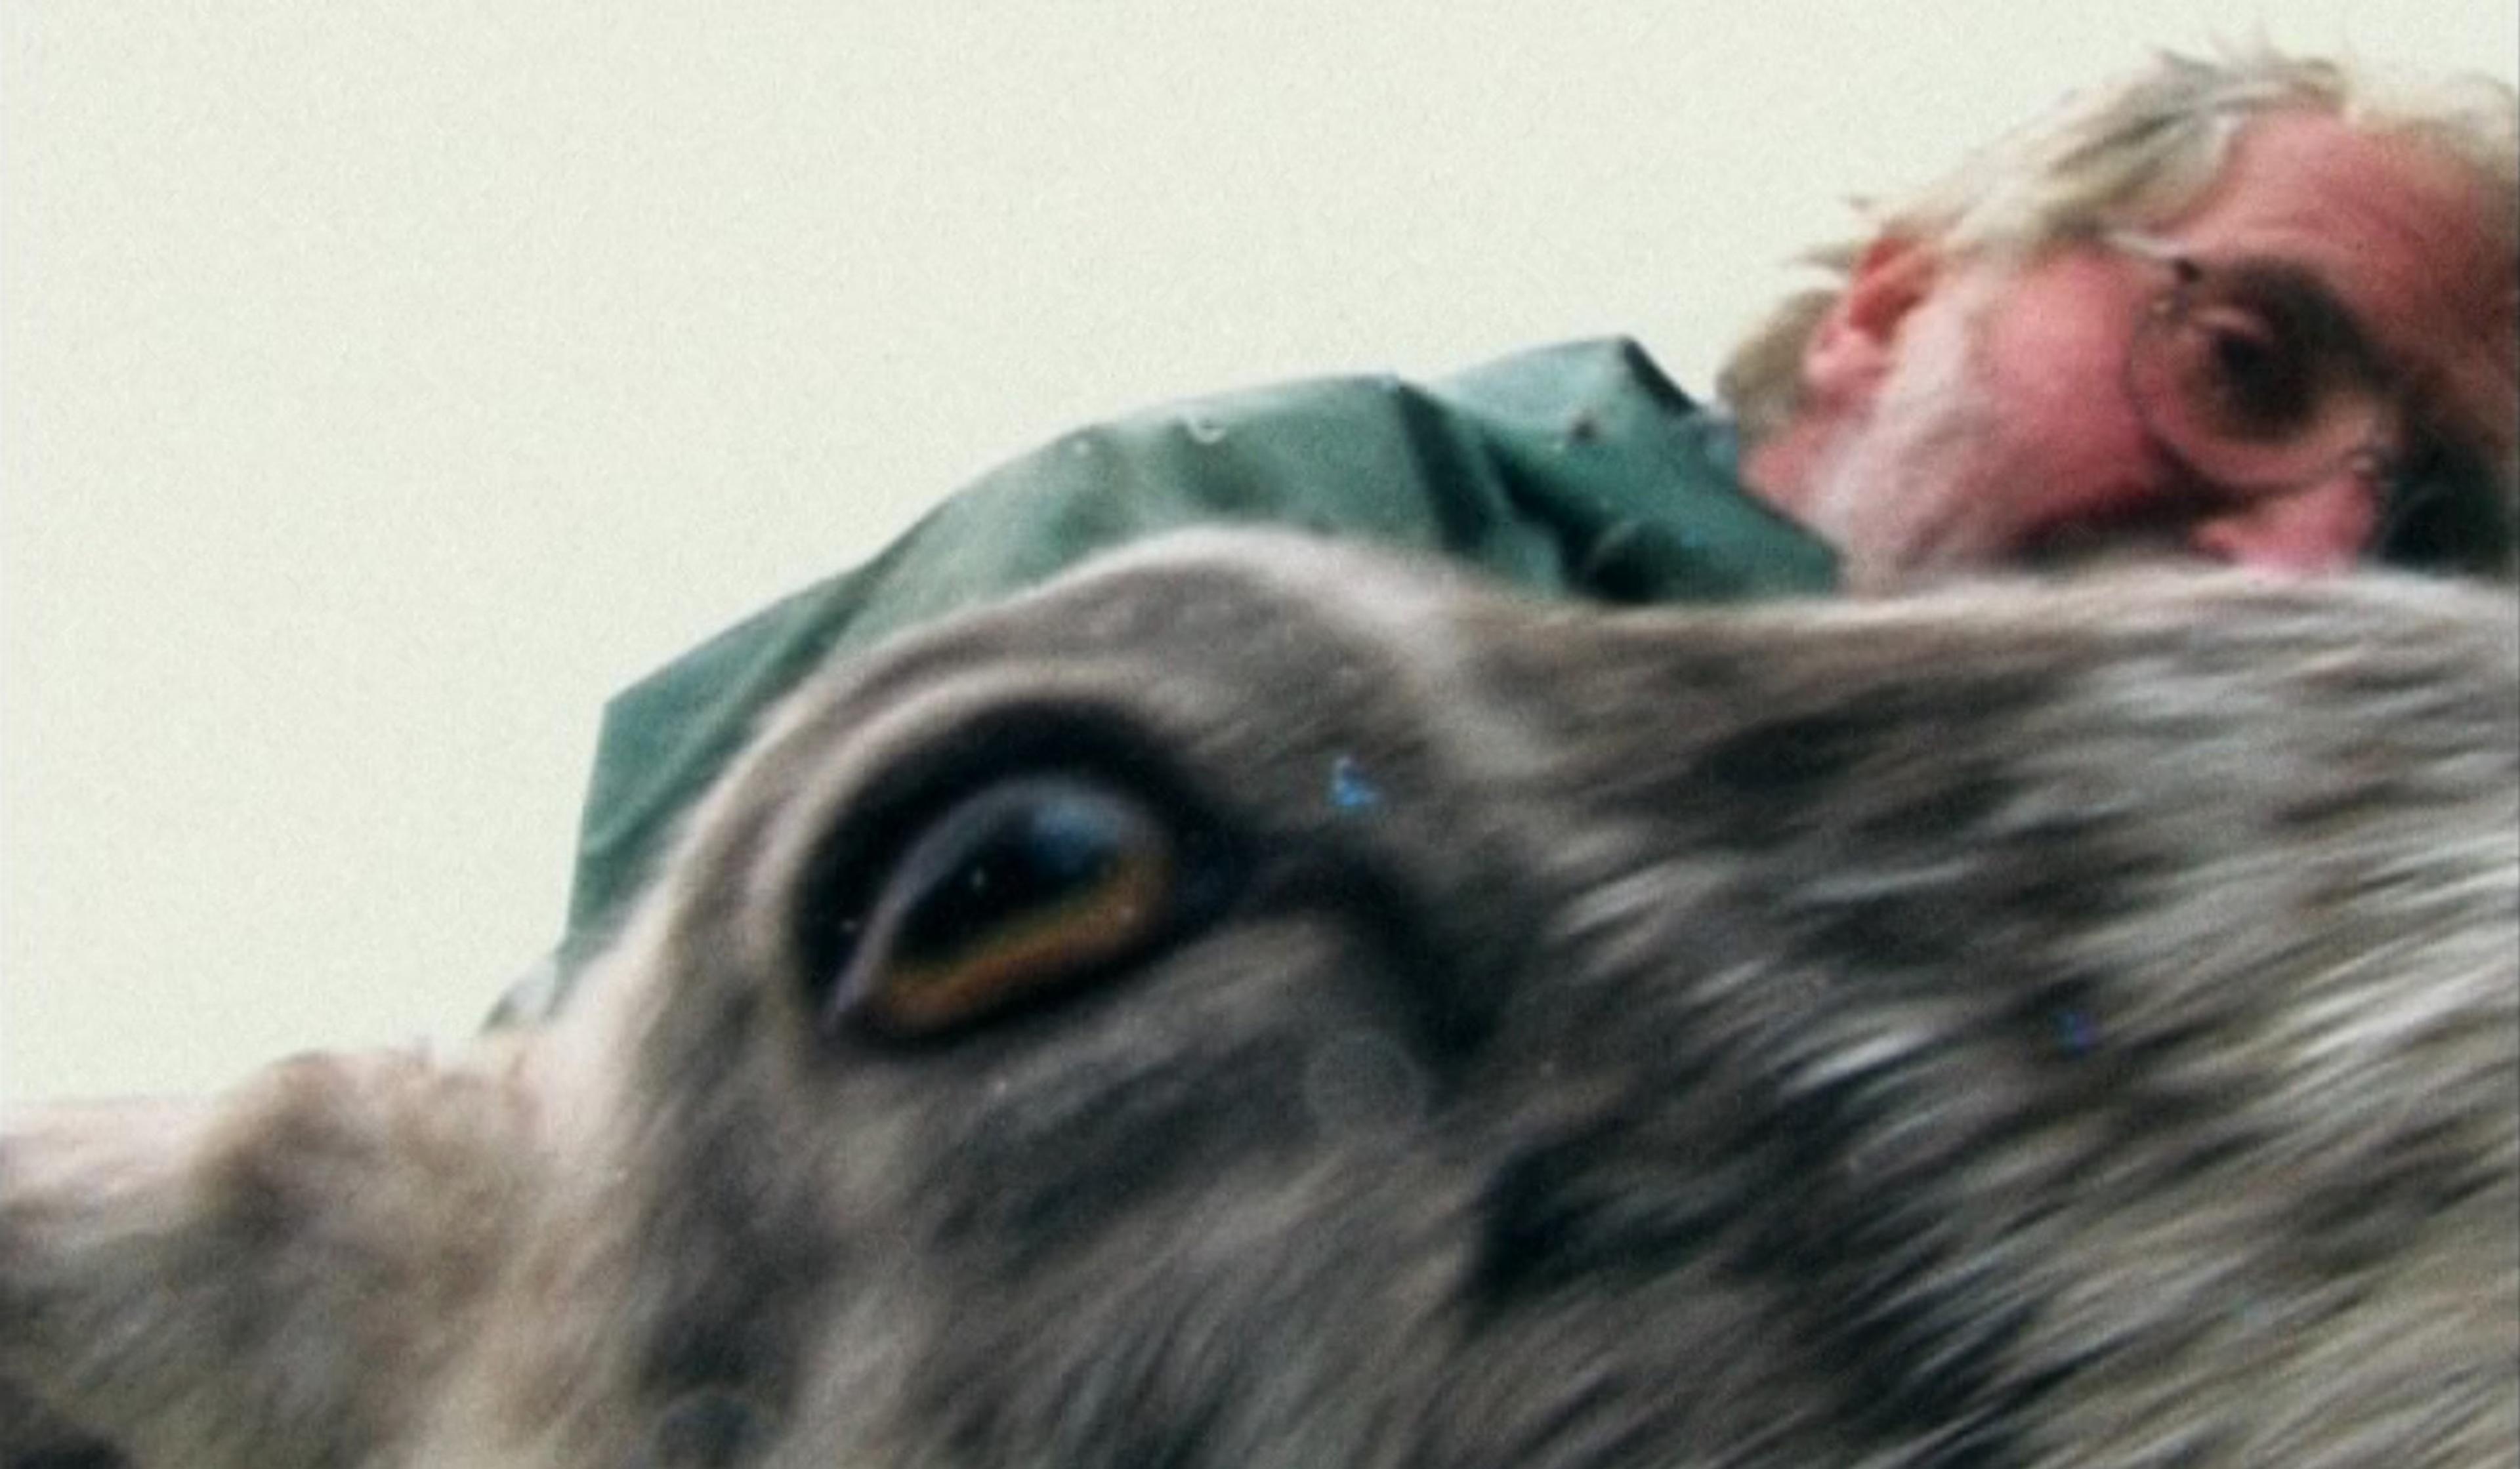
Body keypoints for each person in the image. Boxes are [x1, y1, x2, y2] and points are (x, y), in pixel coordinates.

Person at [496, 45, 2518, 1022]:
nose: (2315, 580)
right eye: (2244, 364)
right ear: (1893, 303)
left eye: (2438, 549)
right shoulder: (1286, 547)